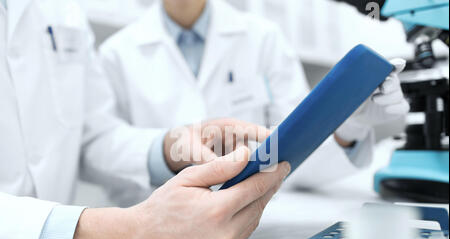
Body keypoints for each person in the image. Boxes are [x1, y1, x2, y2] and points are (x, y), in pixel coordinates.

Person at [0, 0, 289, 239]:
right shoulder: (118, 48)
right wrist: (130, 234)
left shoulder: (62, 8)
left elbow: (92, 135)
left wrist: (171, 147)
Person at [100, 0, 410, 205]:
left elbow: (295, 153)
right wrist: (166, 153)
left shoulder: (263, 38)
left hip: (259, 221)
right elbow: (100, 154)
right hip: (154, 229)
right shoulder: (116, 53)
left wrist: (350, 124)